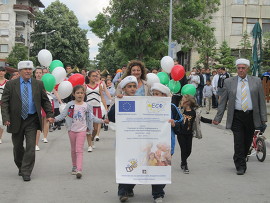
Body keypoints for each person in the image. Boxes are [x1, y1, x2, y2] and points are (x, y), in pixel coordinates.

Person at [108, 76, 169, 203]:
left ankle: (158, 194)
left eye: (134, 86)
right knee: (128, 163)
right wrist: (117, 103)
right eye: (129, 86)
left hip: (149, 138)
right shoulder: (122, 101)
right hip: (129, 140)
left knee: (155, 163)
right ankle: (124, 191)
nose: (132, 89)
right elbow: (112, 117)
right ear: (123, 88)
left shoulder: (145, 100)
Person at [213, 58, 267, 175]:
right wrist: (218, 118)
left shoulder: (256, 81)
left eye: (243, 68)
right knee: (238, 141)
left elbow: (261, 101)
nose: (241, 70)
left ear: (247, 69)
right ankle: (240, 166)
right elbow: (223, 102)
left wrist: (263, 118)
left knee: (247, 142)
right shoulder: (229, 82)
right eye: (239, 68)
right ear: (236, 69)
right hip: (236, 116)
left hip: (251, 116)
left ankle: (239, 157)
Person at [1, 61, 54, 181]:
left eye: (30, 69)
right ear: (19, 71)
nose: (28, 71)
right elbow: (4, 102)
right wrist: (6, 118)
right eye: (25, 69)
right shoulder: (11, 84)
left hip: (32, 119)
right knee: (18, 147)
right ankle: (21, 166)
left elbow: (45, 101)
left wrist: (50, 114)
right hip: (16, 119)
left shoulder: (38, 84)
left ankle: (26, 171)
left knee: (31, 146)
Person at [54, 85, 107, 179]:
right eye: (77, 93)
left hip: (82, 130)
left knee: (79, 150)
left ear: (84, 94)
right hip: (72, 130)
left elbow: (92, 117)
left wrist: (102, 121)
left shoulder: (87, 106)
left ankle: (79, 169)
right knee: (73, 150)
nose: (80, 95)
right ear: (73, 94)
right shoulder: (70, 104)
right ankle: (74, 166)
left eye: (82, 93)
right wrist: (53, 119)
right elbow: (62, 115)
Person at [172, 94, 212, 174]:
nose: (181, 101)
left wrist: (211, 121)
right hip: (181, 133)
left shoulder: (194, 112)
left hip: (189, 134)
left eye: (183, 100)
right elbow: (175, 120)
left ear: (188, 102)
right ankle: (184, 164)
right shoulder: (180, 111)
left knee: (189, 150)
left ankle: (183, 160)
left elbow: (201, 119)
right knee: (183, 149)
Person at [85, 70, 107, 152]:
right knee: (89, 127)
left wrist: (106, 108)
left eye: (96, 76)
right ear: (89, 77)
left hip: (97, 108)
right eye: (93, 76)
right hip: (88, 109)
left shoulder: (99, 86)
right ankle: (89, 145)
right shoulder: (85, 86)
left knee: (95, 128)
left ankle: (92, 139)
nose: (95, 77)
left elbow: (102, 98)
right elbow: (82, 98)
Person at [0, 66, 8, 144]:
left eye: (2, 71)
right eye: (0, 71)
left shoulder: (8, 82)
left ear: (5, 72)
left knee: (2, 121)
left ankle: (0, 137)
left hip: (4, 104)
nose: (1, 72)